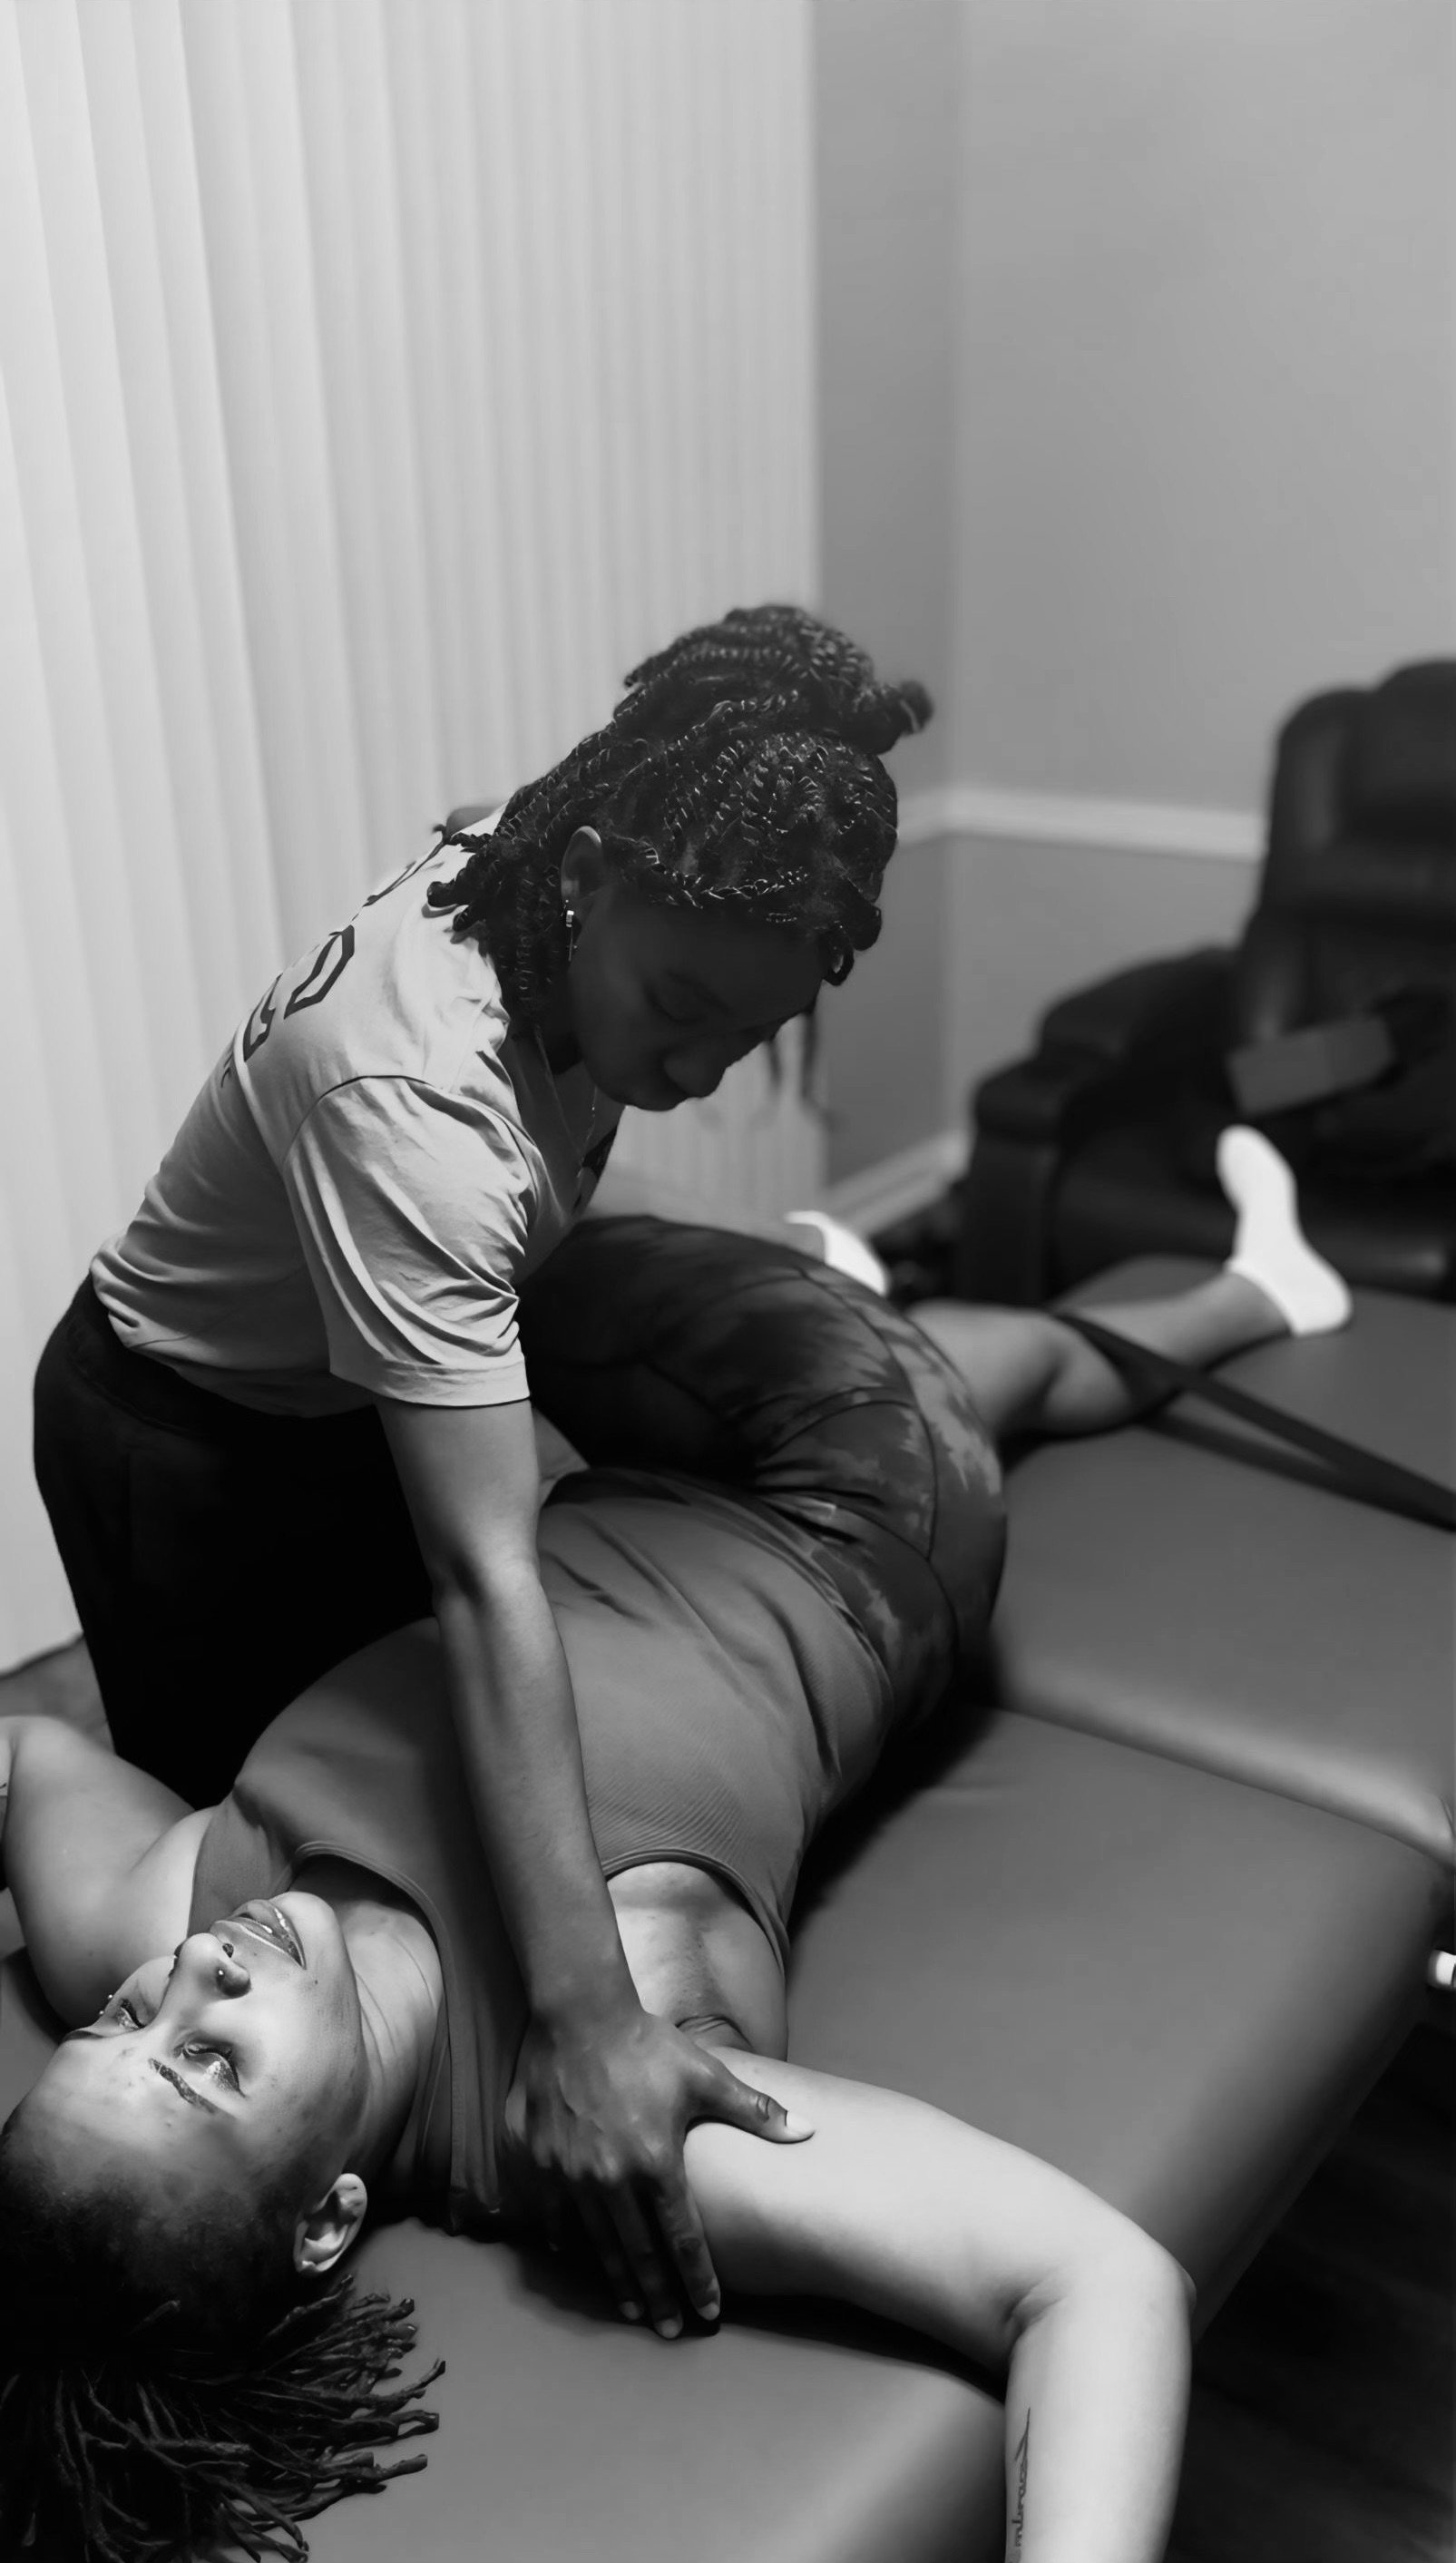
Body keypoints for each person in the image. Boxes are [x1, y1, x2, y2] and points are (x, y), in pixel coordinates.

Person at [0, 1130, 1351, 2563]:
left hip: (597, 1491)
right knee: (922, 1366)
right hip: (846, 1520)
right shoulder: (618, 2092)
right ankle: (1226, 1287)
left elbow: (33, 1751)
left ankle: (999, 1286)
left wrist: (146, 2006)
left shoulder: (161, 1910)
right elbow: (1094, 2283)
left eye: (124, 2019)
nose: (196, 1970)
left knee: (400, 1255)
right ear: (329, 2218)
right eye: (211, 2060)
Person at [31, 602, 932, 2333]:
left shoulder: (542, 847)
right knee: (287, 1871)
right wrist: (595, 2021)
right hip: (185, 1448)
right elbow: (486, 1575)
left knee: (407, 1836)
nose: (687, 1073)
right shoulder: (416, 1115)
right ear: (592, 871)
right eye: (674, 1010)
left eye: (737, 1040)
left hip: (324, 1386)